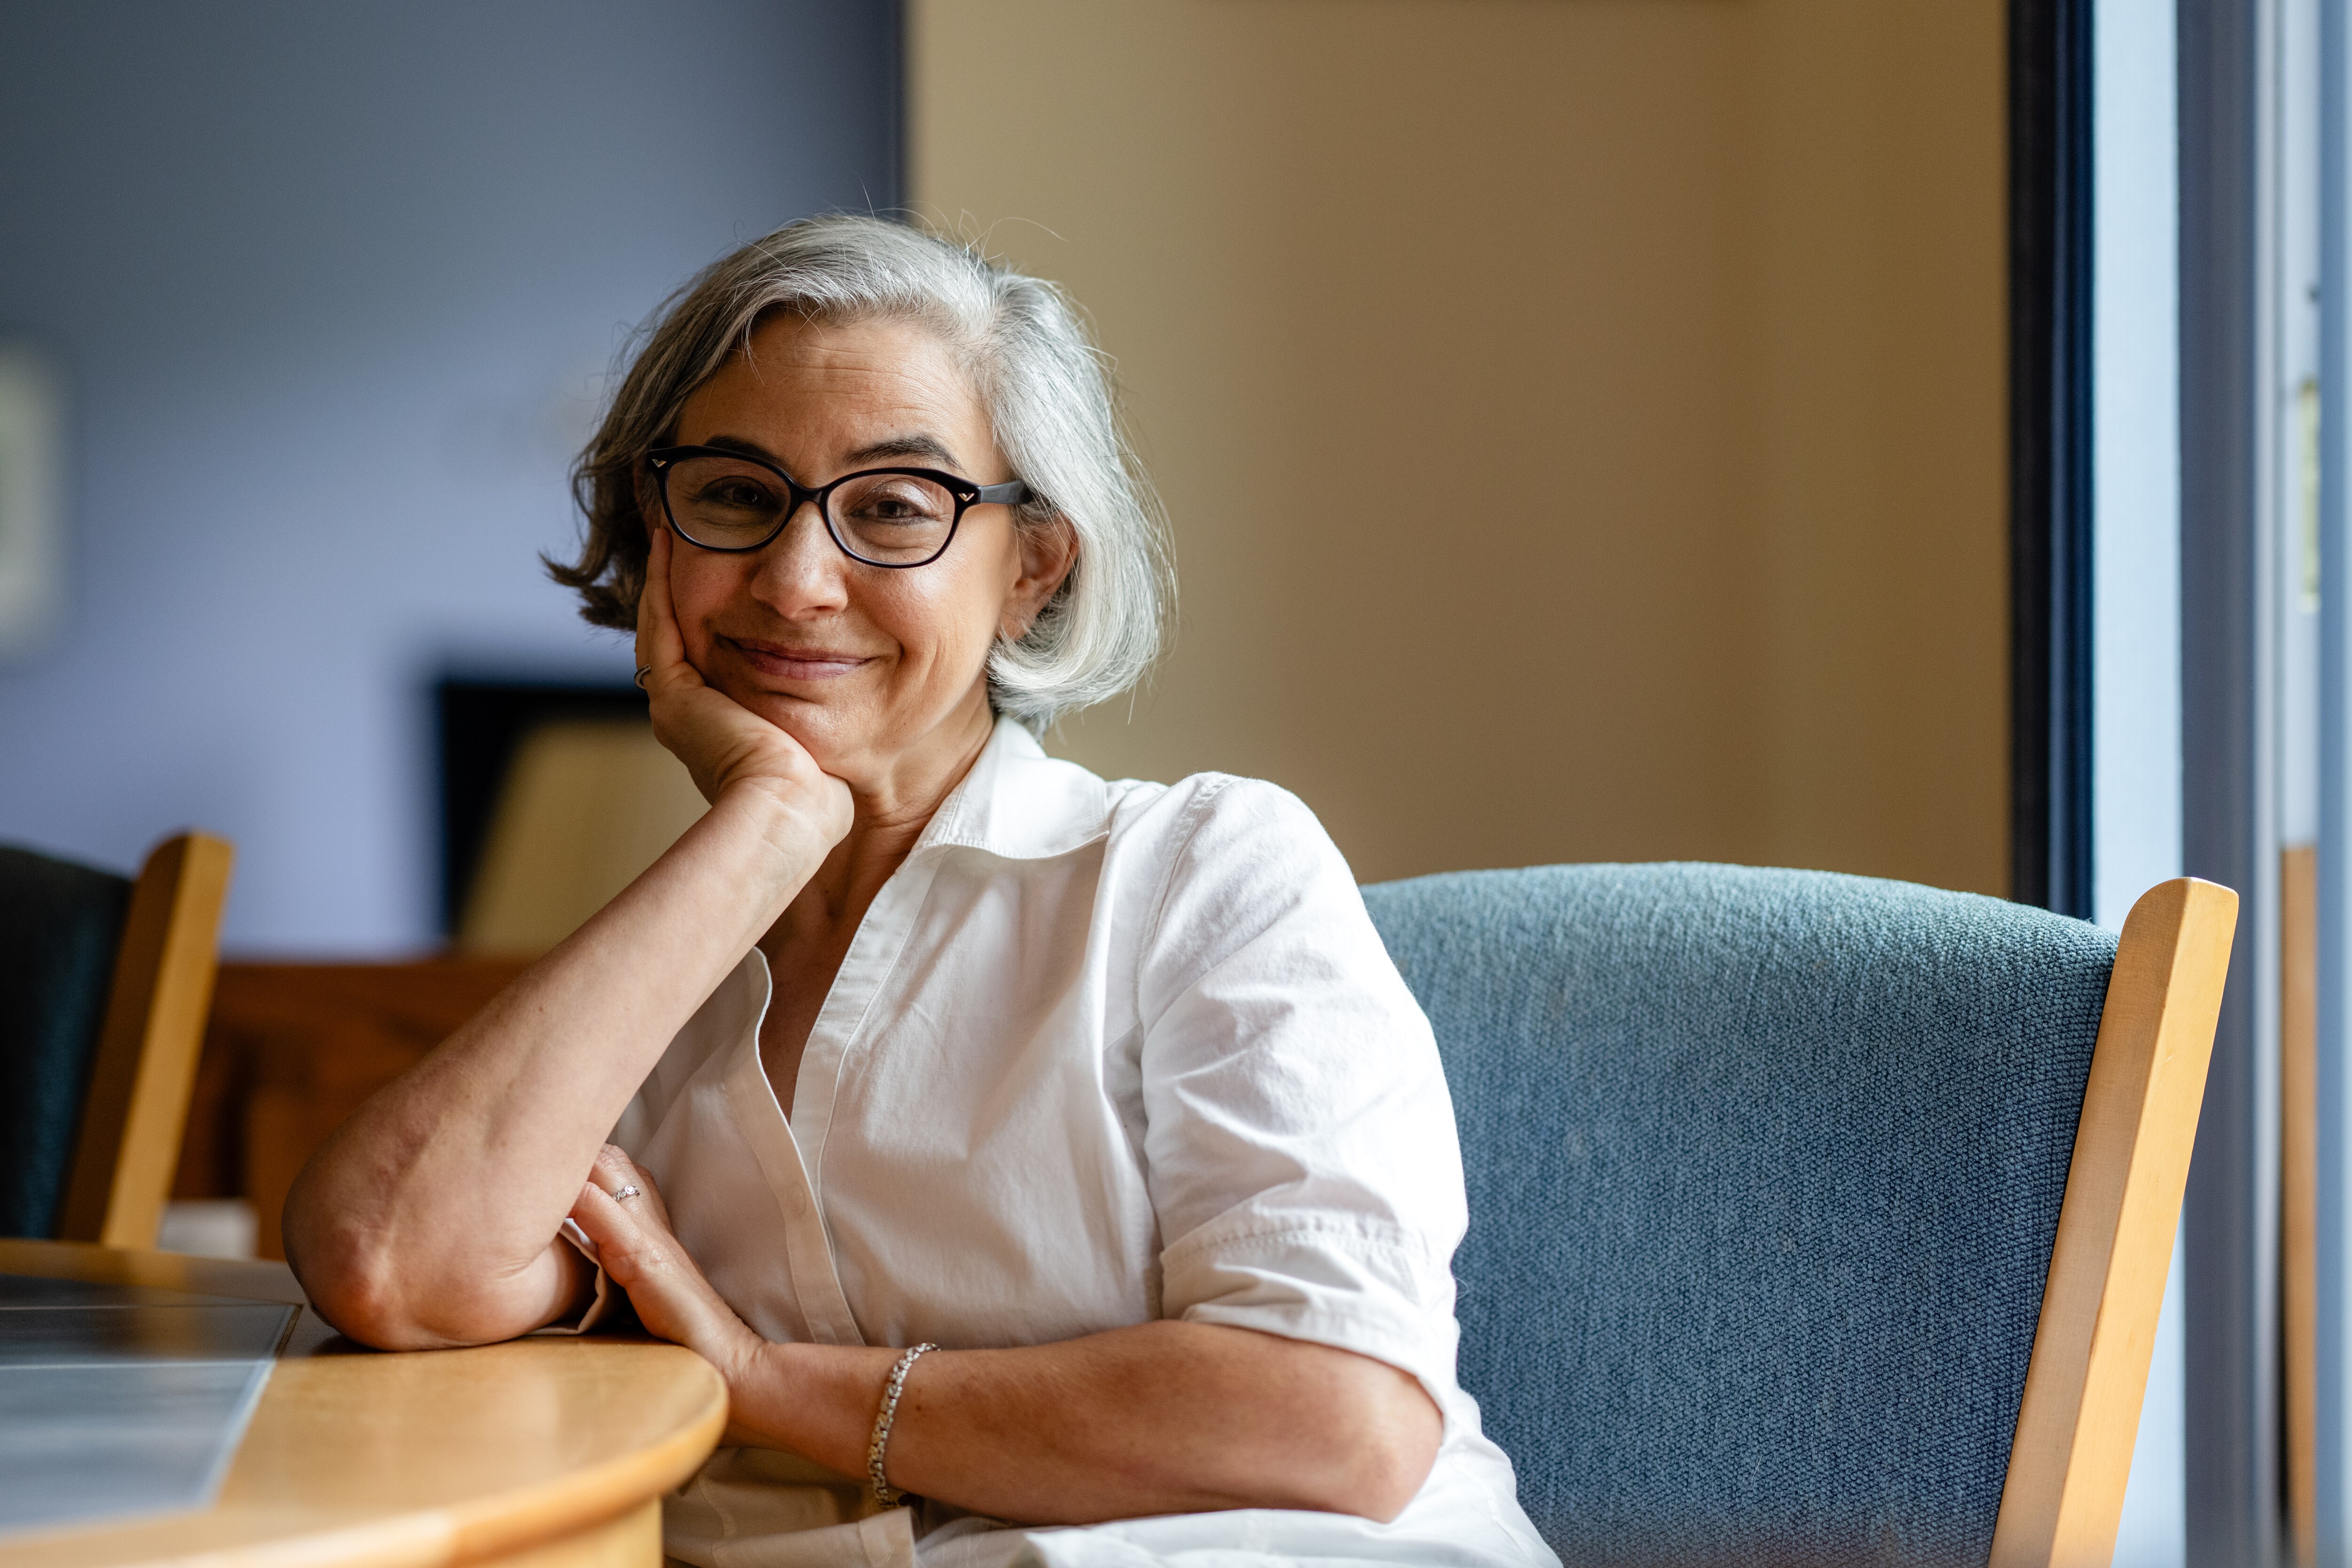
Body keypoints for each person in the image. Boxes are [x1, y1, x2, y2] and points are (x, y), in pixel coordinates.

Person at [283, 215, 1554, 1568]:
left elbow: (1337, 1422)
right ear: (655, 532)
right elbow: (387, 1260)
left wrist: (766, 1383)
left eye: (893, 507)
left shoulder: (1200, 874)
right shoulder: (653, 983)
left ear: (1032, 569)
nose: (794, 579)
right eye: (732, 494)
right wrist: (770, 822)